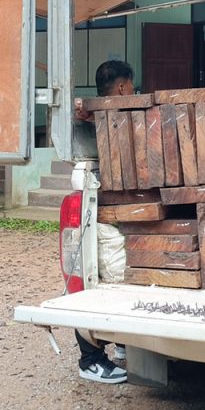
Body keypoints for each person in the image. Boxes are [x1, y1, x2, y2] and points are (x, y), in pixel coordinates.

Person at [72, 60, 134, 384]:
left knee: (112, 278)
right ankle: (91, 359)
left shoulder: (105, 117)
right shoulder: (108, 117)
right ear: (123, 87)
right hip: (104, 216)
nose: (134, 92)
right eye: (132, 87)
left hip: (114, 214)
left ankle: (123, 343)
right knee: (103, 282)